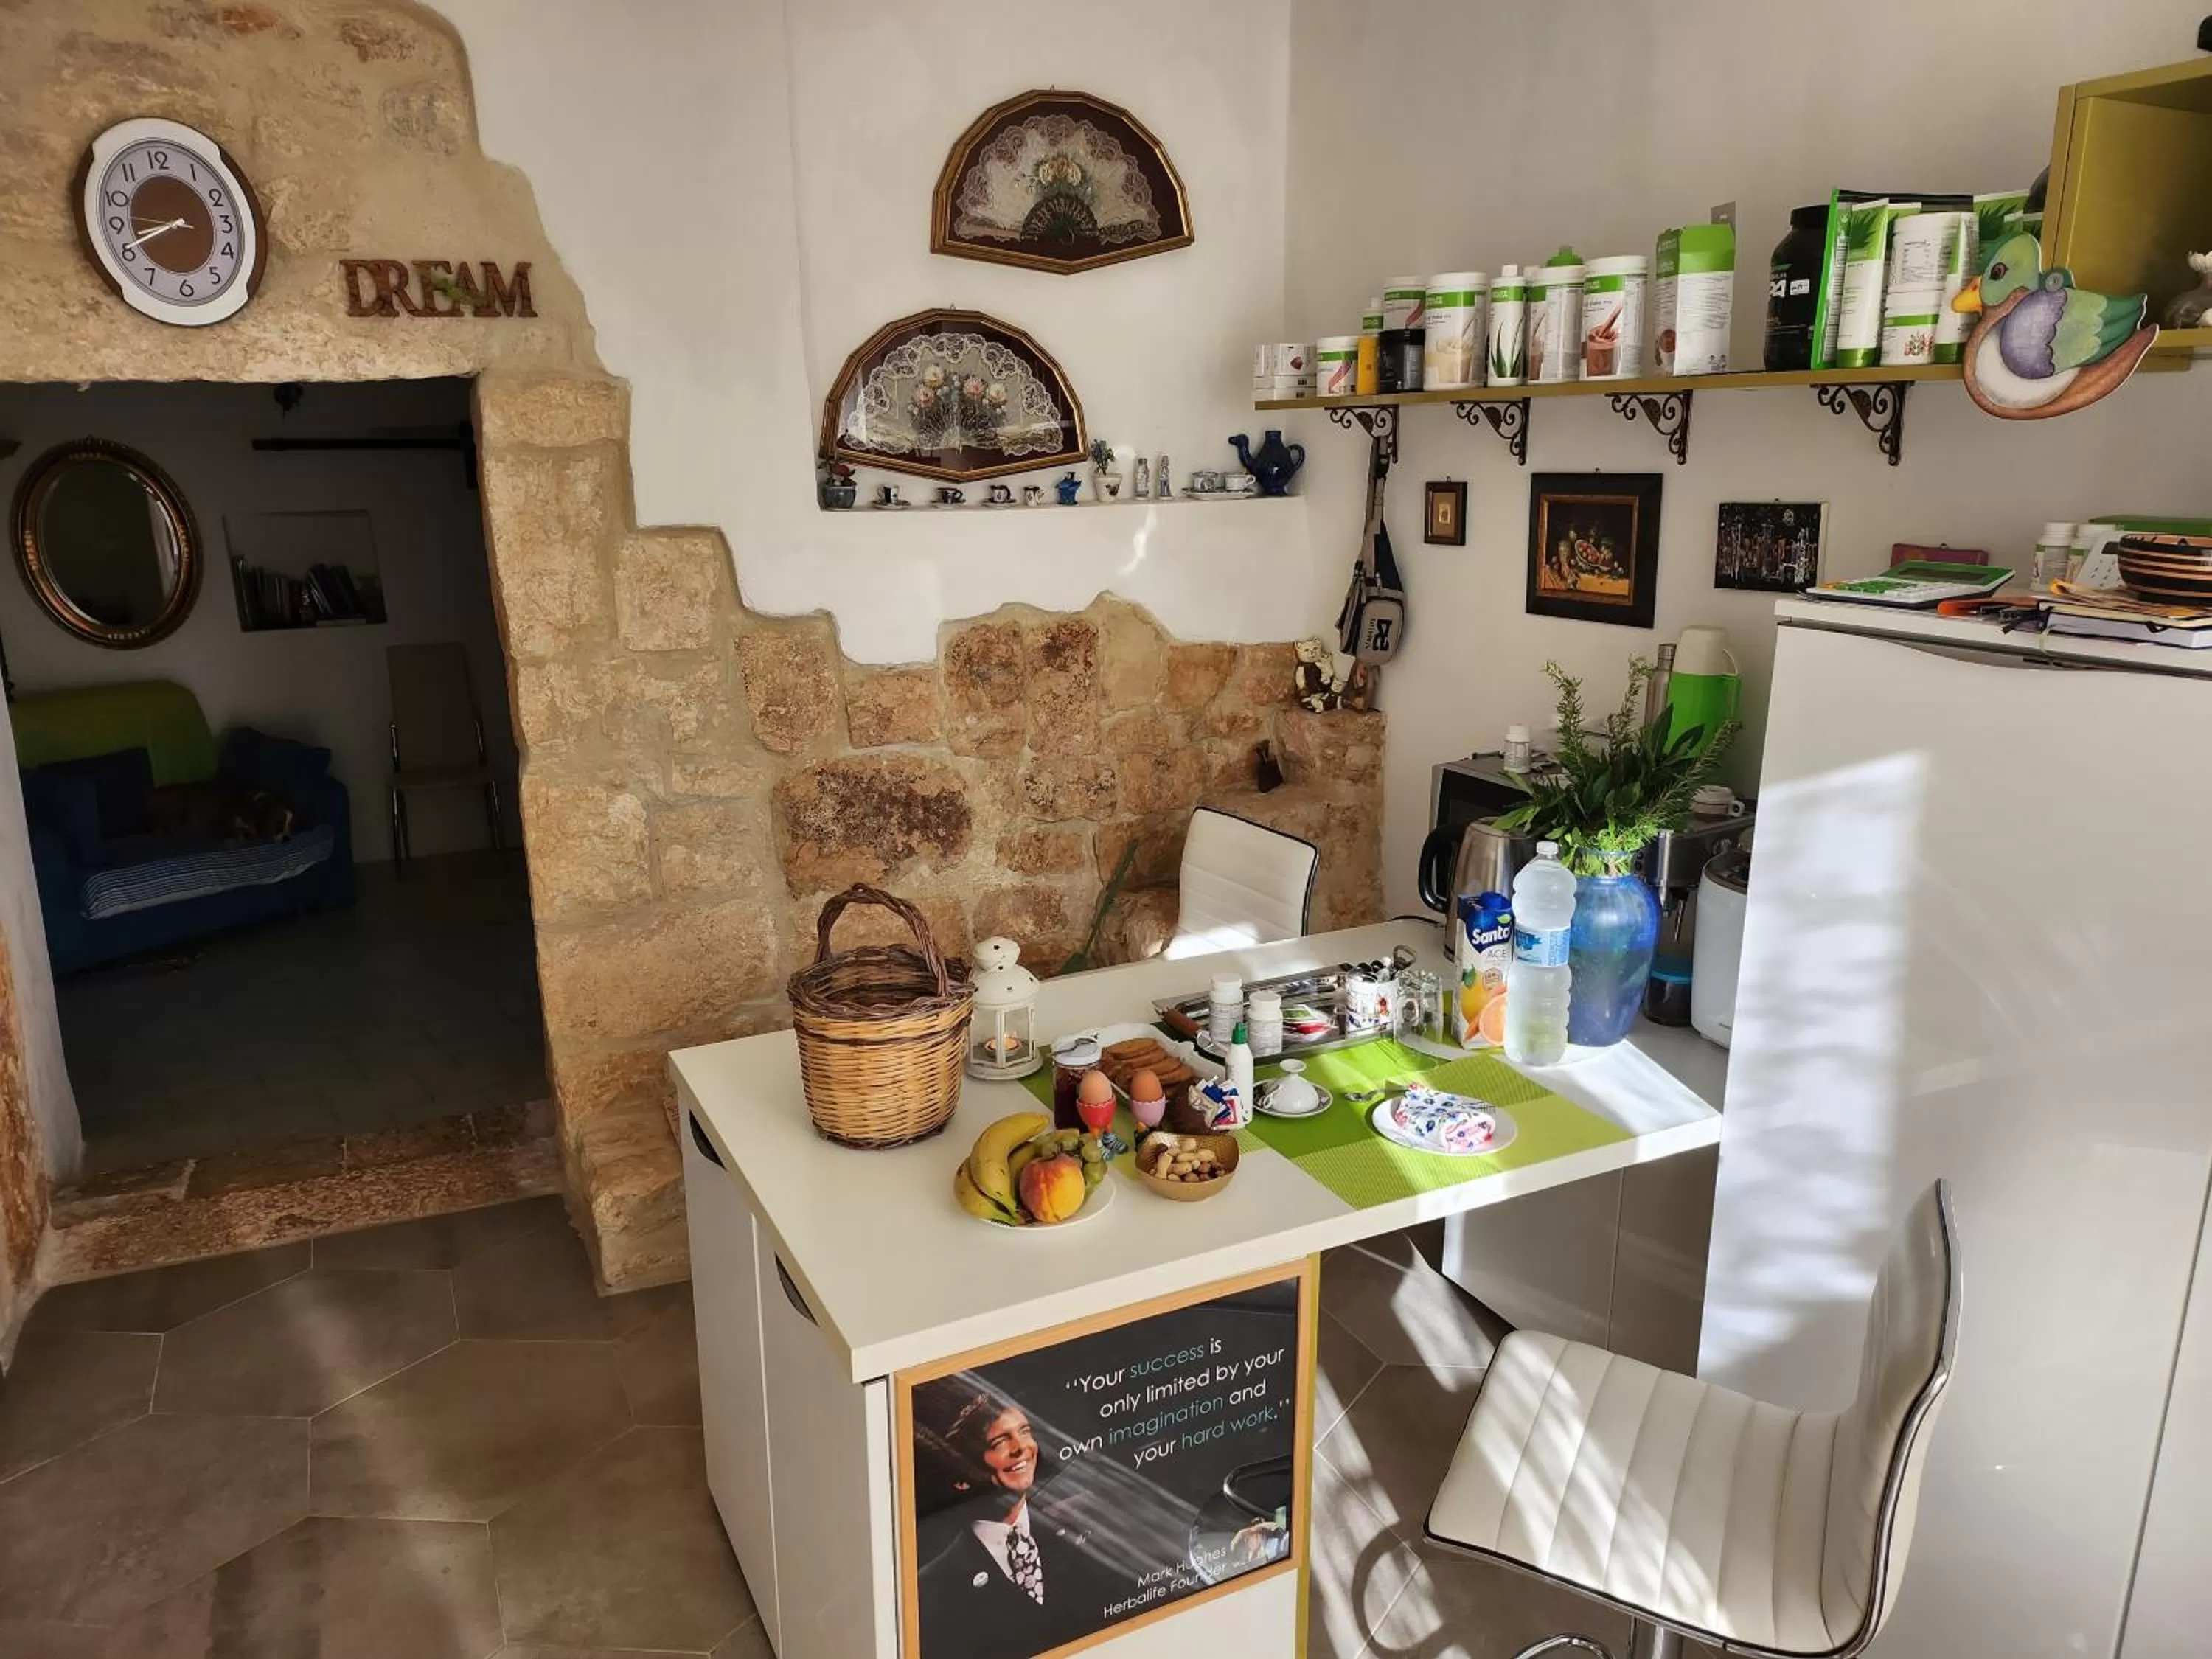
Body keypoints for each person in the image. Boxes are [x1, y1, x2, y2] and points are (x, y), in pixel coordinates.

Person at [912, 1382, 1111, 1659]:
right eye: (999, 1443)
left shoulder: (1088, 1527)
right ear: (961, 1479)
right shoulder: (933, 1588)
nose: (1022, 1448)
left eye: (1024, 1432)